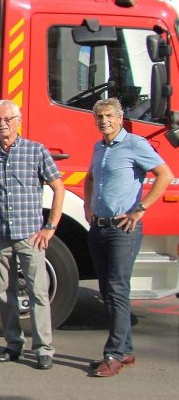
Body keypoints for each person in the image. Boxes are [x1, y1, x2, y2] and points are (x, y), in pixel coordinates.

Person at [0, 100, 65, 370]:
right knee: (3, 293)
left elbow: (58, 188)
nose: (2, 124)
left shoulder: (36, 151)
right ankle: (13, 344)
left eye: (8, 119)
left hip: (31, 235)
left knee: (38, 293)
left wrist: (50, 226)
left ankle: (43, 349)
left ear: (19, 121)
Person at [84, 98, 171, 377]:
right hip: (99, 227)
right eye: (99, 116)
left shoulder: (135, 144)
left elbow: (164, 175)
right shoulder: (99, 147)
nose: (104, 121)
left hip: (123, 229)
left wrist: (140, 209)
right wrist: (88, 206)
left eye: (109, 115)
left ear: (120, 117)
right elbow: (90, 178)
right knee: (108, 290)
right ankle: (127, 351)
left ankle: (114, 354)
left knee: (117, 289)